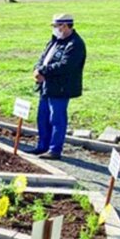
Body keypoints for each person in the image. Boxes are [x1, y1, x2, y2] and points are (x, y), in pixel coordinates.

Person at [29, 14, 87, 160]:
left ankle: (54, 149)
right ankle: (42, 145)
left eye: (56, 26)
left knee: (57, 119)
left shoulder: (75, 44)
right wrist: (37, 69)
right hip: (46, 86)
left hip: (61, 88)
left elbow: (65, 66)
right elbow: (43, 58)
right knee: (42, 117)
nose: (54, 29)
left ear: (65, 26)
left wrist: (42, 71)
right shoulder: (54, 41)